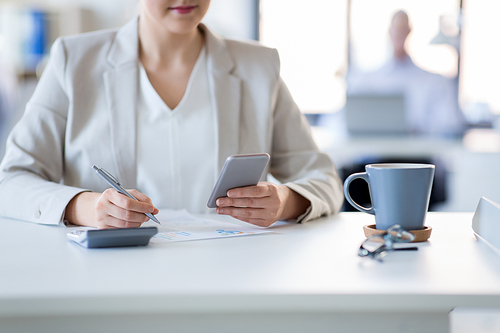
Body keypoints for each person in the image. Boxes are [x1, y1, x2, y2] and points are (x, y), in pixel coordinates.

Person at [0, 0, 343, 229]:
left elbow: (324, 179)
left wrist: (284, 201)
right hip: (107, 280)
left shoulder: (259, 67)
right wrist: (84, 207)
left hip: (232, 277)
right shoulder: (72, 62)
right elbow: (11, 180)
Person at [346, 10, 465, 136]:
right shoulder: (368, 80)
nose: (399, 34)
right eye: (396, 29)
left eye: (403, 30)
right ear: (389, 32)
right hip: (375, 152)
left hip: (418, 152)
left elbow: (451, 123)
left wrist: (419, 128)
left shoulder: (432, 81)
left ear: (409, 31)